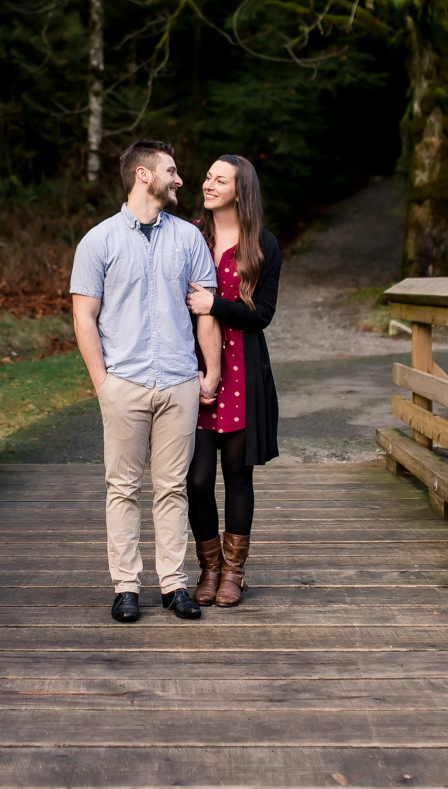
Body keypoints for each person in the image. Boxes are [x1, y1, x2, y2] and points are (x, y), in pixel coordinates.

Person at [70, 140, 223, 624]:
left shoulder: (189, 239)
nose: (180, 180)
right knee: (122, 487)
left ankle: (175, 585)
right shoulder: (99, 241)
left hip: (179, 380)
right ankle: (126, 587)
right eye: (172, 171)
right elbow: (83, 315)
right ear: (143, 174)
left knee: (172, 487)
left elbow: (205, 313)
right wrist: (102, 381)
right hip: (124, 382)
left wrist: (209, 370)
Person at [184, 155, 282, 608]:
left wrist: (215, 304)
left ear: (240, 192)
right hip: (195, 371)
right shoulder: (189, 236)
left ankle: (233, 574)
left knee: (238, 477)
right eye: (207, 177)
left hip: (244, 373)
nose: (208, 184)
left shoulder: (263, 245)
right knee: (198, 480)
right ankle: (209, 567)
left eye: (219, 180)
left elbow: (262, 315)